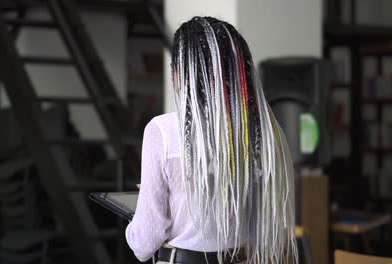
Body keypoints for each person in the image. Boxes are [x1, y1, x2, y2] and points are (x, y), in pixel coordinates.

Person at [126, 17, 297, 264]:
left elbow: (144, 244)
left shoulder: (162, 130)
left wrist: (144, 210)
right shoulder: (265, 134)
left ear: (180, 72)